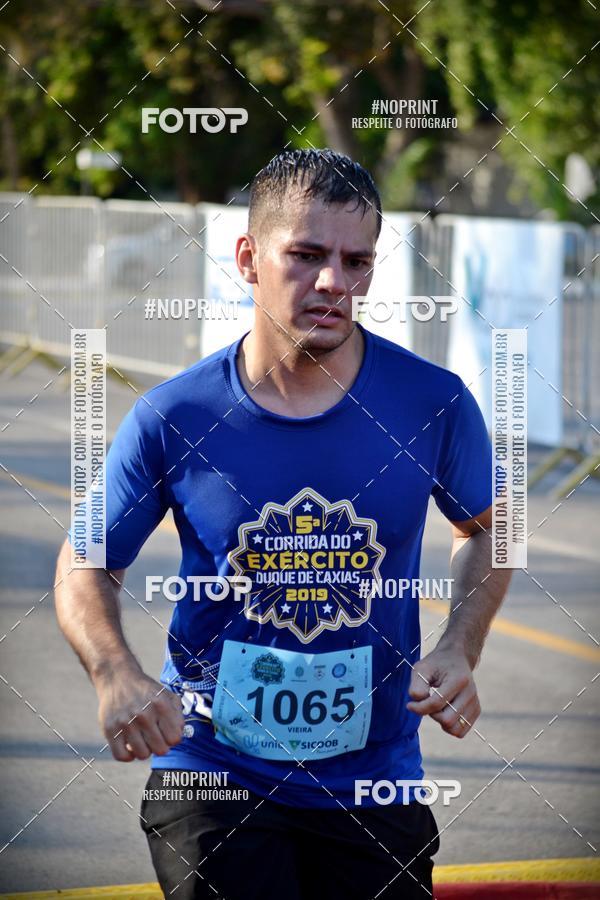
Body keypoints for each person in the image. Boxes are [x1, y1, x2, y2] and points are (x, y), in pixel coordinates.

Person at [55, 148, 511, 900]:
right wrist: (116, 675)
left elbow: (496, 526)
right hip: (215, 776)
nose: (334, 281)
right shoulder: (175, 415)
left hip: (374, 781)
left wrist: (461, 647)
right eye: (305, 255)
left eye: (356, 261)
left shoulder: (432, 402)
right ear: (247, 257)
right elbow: (86, 561)